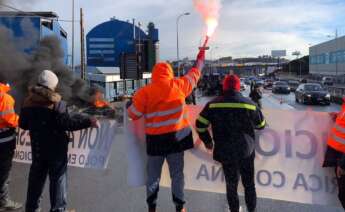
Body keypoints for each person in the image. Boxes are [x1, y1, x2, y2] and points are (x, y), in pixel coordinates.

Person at [127, 48, 206, 212]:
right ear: (170, 73)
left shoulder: (145, 92)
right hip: (177, 141)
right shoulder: (179, 85)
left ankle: (152, 206)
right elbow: (195, 73)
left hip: (156, 143)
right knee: (177, 175)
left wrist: (130, 105)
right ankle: (180, 206)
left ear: (154, 75)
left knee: (153, 176)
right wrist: (200, 57)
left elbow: (133, 115)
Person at [19, 70, 99, 212]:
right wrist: (89, 121)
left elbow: (23, 124)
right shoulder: (58, 104)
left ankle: (31, 209)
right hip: (56, 152)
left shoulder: (27, 102)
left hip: (37, 150)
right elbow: (68, 124)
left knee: (35, 183)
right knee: (57, 183)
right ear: (52, 86)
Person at [196, 74, 266, 212]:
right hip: (246, 151)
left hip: (225, 151)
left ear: (224, 86)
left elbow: (200, 125)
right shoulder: (250, 105)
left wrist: (208, 141)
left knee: (231, 185)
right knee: (249, 184)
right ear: (239, 87)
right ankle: (252, 210)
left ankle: (234, 210)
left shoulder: (213, 104)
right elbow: (261, 125)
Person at [0, 82, 22, 211]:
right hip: (4, 142)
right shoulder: (5, 97)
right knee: (4, 173)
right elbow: (10, 119)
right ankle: (3, 201)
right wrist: (21, 120)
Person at [324, 98, 345, 209]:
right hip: (338, 155)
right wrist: (338, 116)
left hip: (342, 157)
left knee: (343, 195)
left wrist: (343, 164)